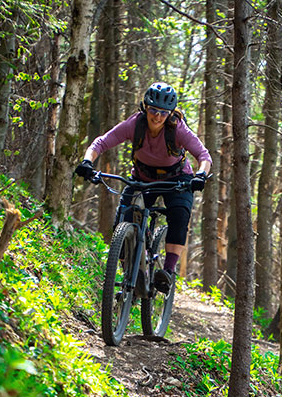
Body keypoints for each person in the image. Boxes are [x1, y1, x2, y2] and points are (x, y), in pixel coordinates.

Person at [75, 82, 212, 293]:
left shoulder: (177, 129)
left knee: (179, 215)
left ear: (170, 113)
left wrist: (201, 175)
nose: (157, 116)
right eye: (153, 110)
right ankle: (131, 271)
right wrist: (87, 162)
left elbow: (204, 156)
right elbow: (100, 143)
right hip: (142, 177)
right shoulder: (135, 125)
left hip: (177, 179)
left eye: (163, 112)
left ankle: (167, 272)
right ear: (145, 107)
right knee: (123, 220)